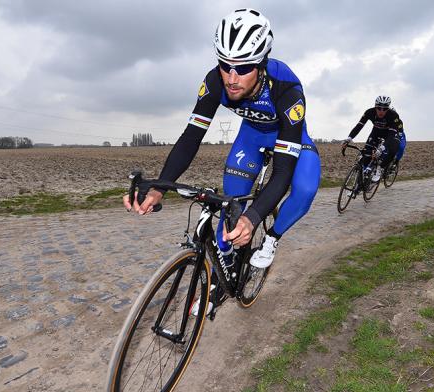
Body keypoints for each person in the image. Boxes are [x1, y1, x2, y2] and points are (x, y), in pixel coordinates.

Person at [124, 9, 321, 312]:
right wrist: (159, 187)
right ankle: (217, 280)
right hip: (251, 137)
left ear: (261, 63)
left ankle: (272, 238)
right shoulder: (215, 82)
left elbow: (282, 172)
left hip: (288, 138)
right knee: (230, 205)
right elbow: (191, 138)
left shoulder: (287, 90)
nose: (231, 78)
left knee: (305, 189)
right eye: (224, 65)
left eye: (242, 68)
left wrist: (254, 218)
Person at [341, 96, 404, 182]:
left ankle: (380, 168)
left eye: (384, 109)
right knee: (366, 154)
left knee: (393, 149)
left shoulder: (393, 115)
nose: (381, 111)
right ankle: (360, 184)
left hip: (390, 133)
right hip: (376, 132)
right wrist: (349, 138)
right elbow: (359, 126)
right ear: (375, 106)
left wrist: (382, 148)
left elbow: (392, 135)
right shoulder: (369, 112)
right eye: (379, 108)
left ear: (388, 108)